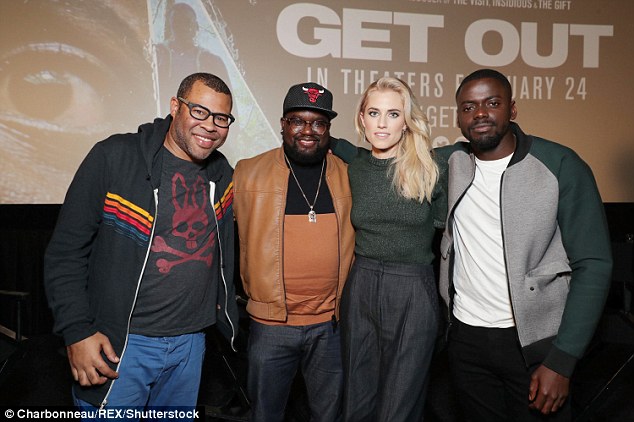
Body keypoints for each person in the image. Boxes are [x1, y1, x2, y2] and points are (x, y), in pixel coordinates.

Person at [43, 72, 239, 417]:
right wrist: (76, 331)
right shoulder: (114, 157)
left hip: (191, 344)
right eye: (199, 112)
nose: (210, 126)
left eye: (221, 118)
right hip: (122, 344)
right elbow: (65, 253)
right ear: (175, 107)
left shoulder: (222, 175)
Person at [437, 68, 613, 421]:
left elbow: (593, 263)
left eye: (492, 103)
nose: (481, 113)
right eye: (469, 107)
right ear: (458, 117)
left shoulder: (561, 164)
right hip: (466, 341)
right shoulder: (450, 163)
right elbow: (385, 158)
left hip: (536, 345)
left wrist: (562, 361)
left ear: (512, 110)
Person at [232, 82, 354, 422]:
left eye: (318, 123)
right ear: (283, 124)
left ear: (328, 130)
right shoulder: (246, 172)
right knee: (266, 415)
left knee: (329, 416)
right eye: (298, 121)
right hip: (271, 326)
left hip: (331, 325)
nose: (308, 131)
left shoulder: (348, 175)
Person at [332, 77, 447, 421]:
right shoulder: (355, 166)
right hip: (362, 283)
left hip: (412, 287)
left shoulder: (430, 169)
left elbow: (444, 228)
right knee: (357, 396)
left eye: (393, 113)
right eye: (374, 112)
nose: (382, 123)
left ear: (406, 120)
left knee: (400, 402)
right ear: (362, 119)